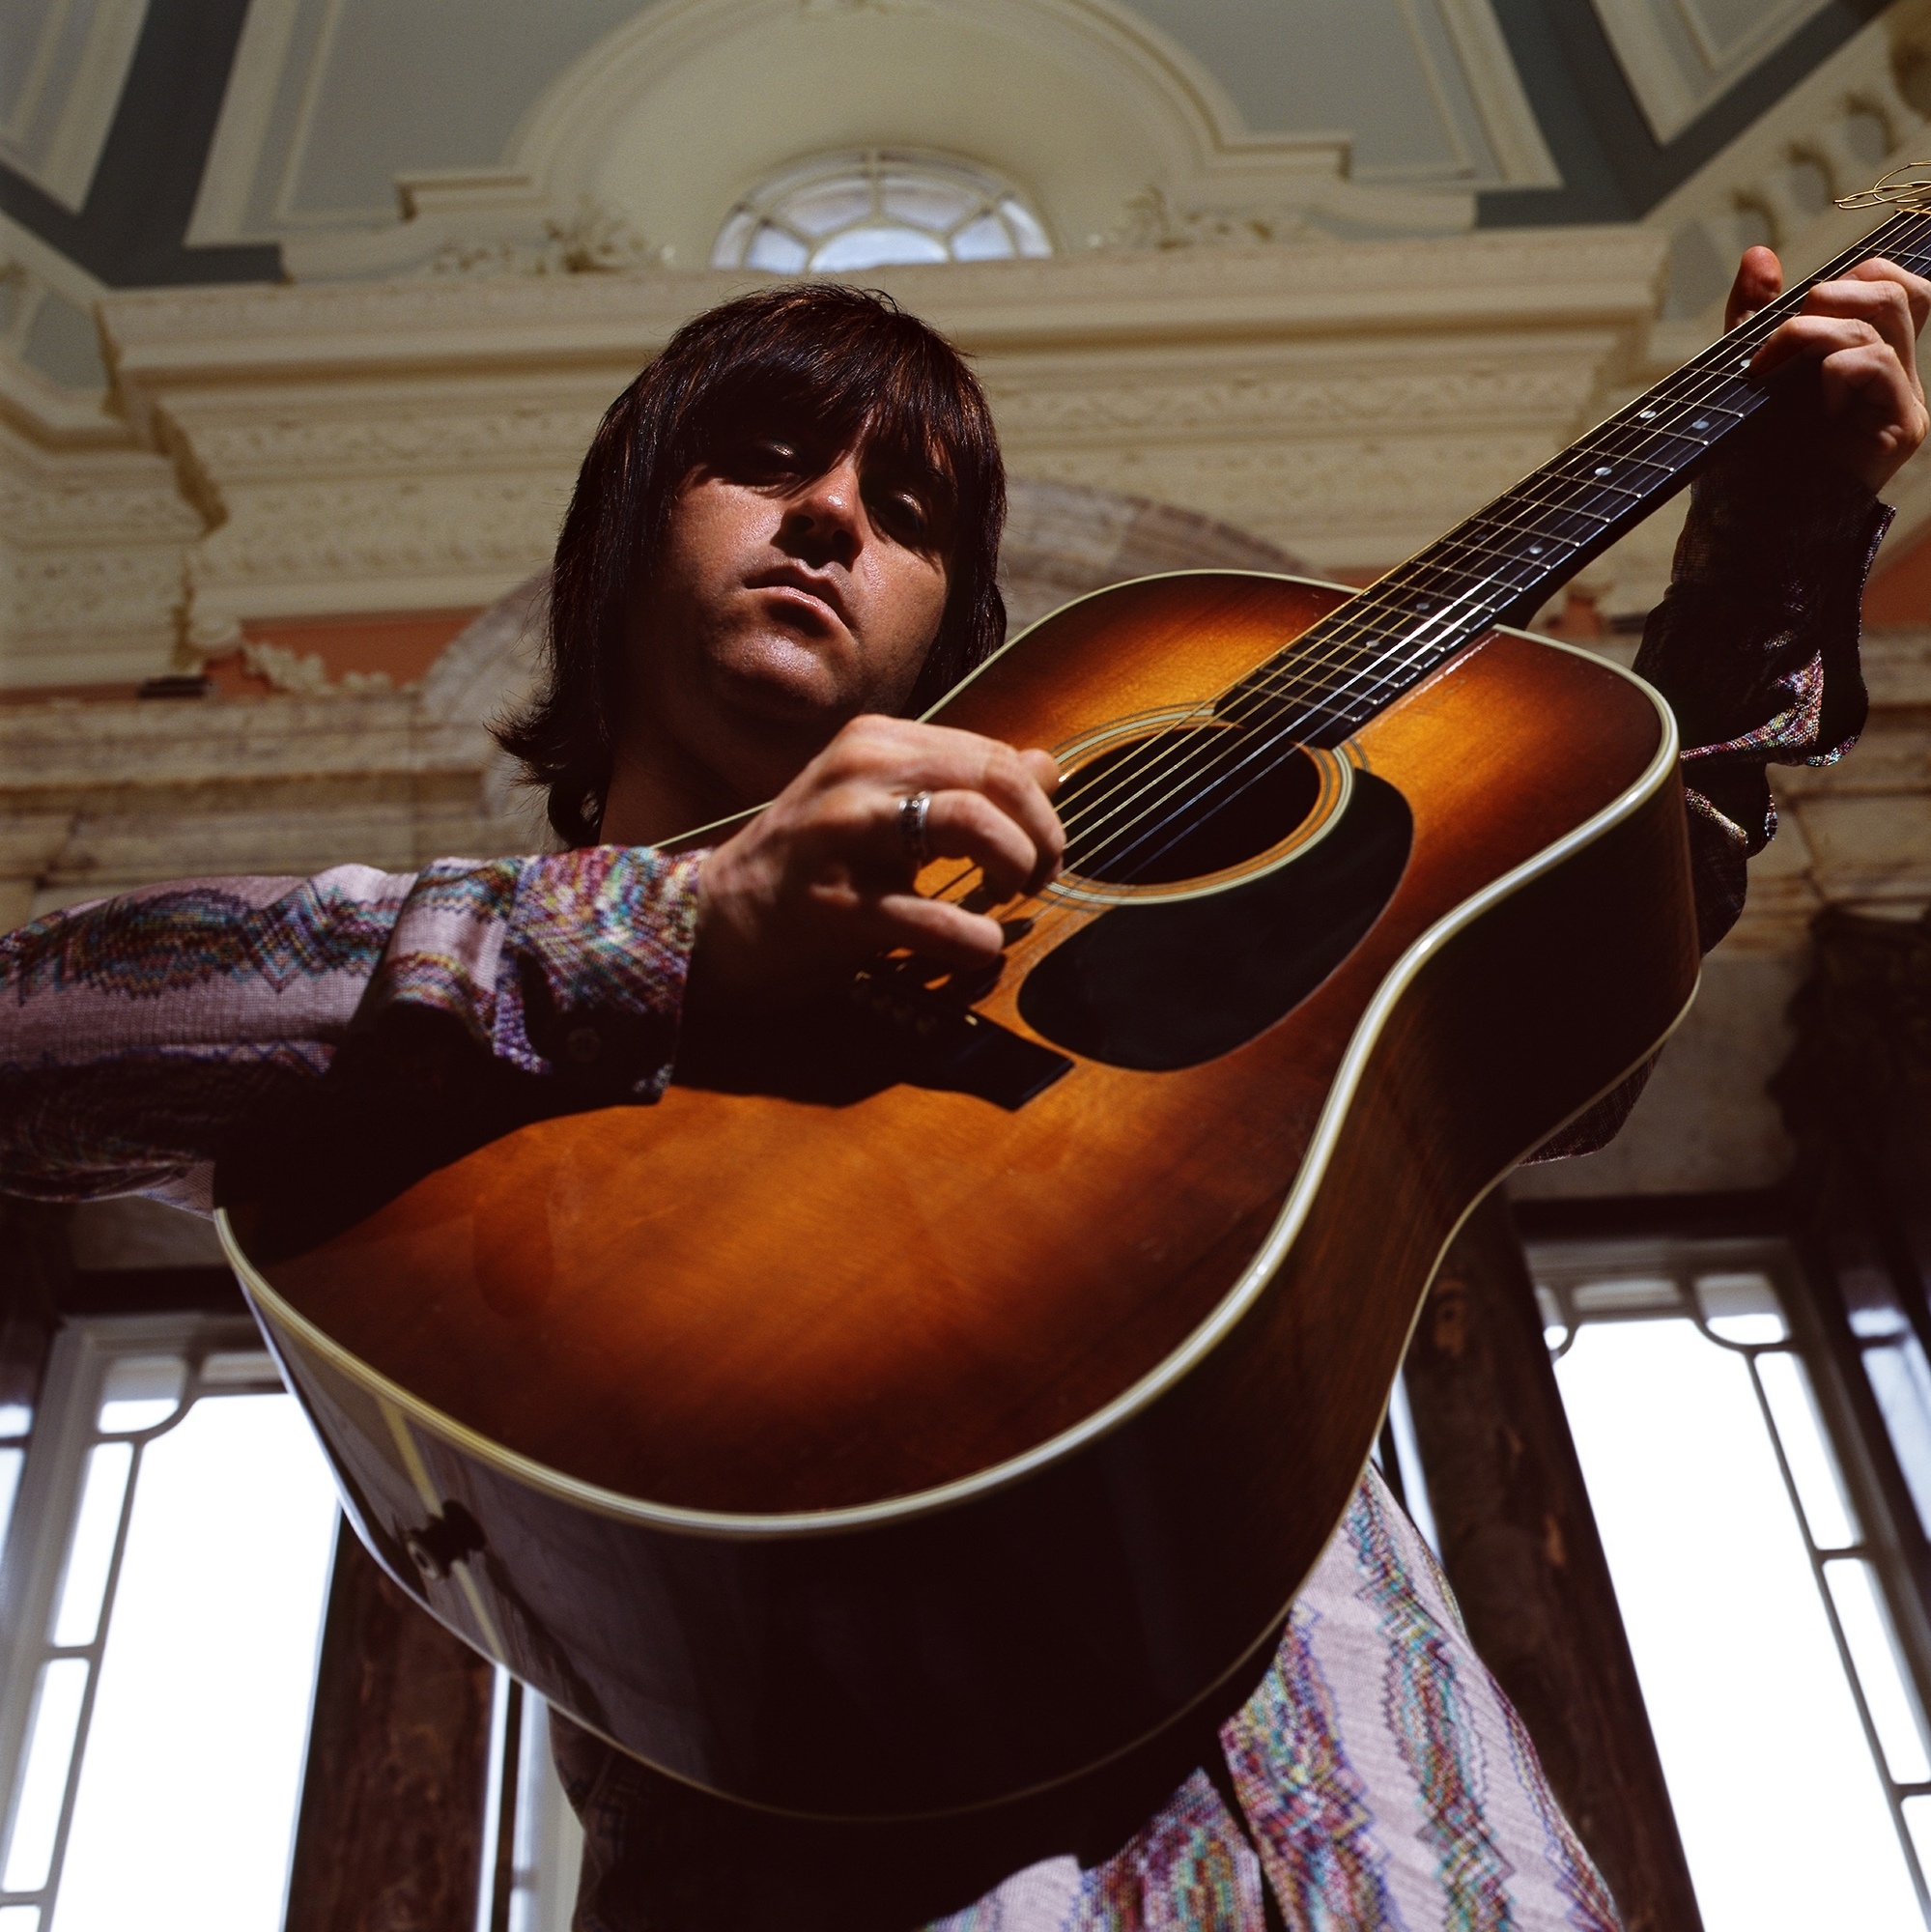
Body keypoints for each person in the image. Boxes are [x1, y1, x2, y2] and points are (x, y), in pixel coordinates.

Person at [3, 242, 1924, 1931]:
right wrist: (664, 931)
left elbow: (1557, 924)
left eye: (908, 507)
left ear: (964, 653)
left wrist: (1771, 536)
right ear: (610, 550)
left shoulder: (1110, 936)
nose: (834, 514)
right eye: (762, 458)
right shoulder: (450, 985)